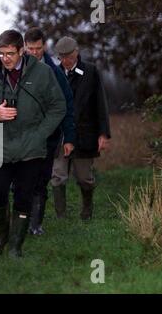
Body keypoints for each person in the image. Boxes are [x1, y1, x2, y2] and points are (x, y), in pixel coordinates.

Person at [0, 30, 66, 258]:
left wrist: (41, 135)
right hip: (0, 146)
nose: (4, 59)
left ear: (21, 51)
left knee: (24, 196)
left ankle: (15, 246)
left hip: (31, 148)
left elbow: (58, 107)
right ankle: (1, 237)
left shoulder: (43, 72)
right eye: (1, 53)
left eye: (9, 54)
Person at [51, 36, 111, 220]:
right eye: (61, 57)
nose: (65, 60)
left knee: (84, 177)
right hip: (60, 134)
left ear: (76, 52)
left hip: (85, 134)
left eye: (68, 56)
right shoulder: (53, 73)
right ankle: (61, 216)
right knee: (57, 175)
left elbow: (100, 103)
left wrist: (104, 133)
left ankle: (87, 211)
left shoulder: (91, 72)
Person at [24, 27, 76, 235]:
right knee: (20, 180)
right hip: (20, 135)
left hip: (47, 136)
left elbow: (67, 105)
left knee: (41, 180)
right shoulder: (15, 67)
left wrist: (69, 137)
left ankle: (35, 225)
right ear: (24, 47)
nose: (35, 52)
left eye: (38, 48)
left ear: (44, 46)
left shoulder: (55, 72)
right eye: (31, 48)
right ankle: (20, 221)